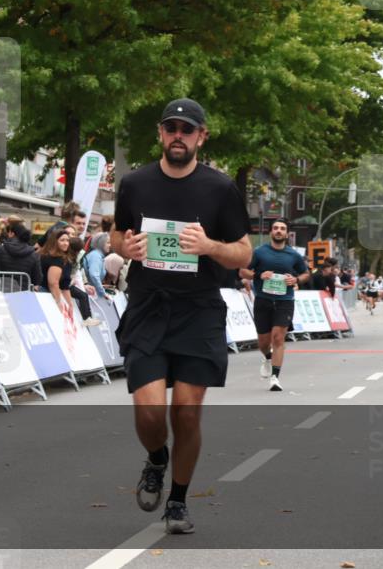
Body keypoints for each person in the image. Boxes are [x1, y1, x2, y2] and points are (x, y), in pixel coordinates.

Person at [111, 98, 251, 534]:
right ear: (160, 133)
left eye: (186, 130)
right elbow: (117, 233)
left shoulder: (220, 189)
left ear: (201, 137)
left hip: (199, 311)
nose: (178, 135)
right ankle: (156, 458)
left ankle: (177, 500)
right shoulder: (134, 183)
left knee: (187, 413)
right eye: (171, 128)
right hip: (149, 308)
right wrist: (124, 248)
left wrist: (210, 247)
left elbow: (243, 252)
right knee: (150, 412)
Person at [238, 219, 309, 392]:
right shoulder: (260, 252)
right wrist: (259, 275)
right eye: (276, 228)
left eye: (282, 228)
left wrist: (296, 279)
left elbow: (306, 273)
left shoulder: (293, 255)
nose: (279, 231)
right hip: (263, 300)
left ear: (287, 234)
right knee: (263, 342)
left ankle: (275, 377)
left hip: (285, 301)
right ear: (271, 232)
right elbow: (243, 271)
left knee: (278, 337)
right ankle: (267, 357)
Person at [0, 222, 42, 292]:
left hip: (2, 291)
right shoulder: (33, 254)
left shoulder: (1, 249)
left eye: (8, 232)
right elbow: (38, 278)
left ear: (12, 234)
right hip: (24, 292)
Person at [83, 233, 111, 299]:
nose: (110, 245)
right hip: (89, 294)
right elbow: (94, 275)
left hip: (90, 292)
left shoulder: (97, 255)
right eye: (108, 243)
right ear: (101, 243)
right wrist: (103, 292)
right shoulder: (96, 256)